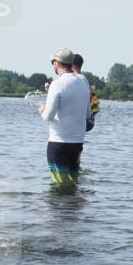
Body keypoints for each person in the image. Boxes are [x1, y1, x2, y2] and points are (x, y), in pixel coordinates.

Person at [38, 48, 91, 186]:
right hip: (77, 144)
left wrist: (42, 110)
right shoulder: (84, 83)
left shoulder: (57, 84)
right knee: (72, 184)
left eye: (53, 62)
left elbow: (48, 116)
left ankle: (59, 207)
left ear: (57, 63)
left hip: (58, 143)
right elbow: (88, 114)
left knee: (59, 186)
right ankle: (72, 207)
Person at [71, 53, 99, 130]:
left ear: (71, 64)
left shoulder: (77, 79)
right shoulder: (84, 79)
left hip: (86, 121)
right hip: (90, 120)